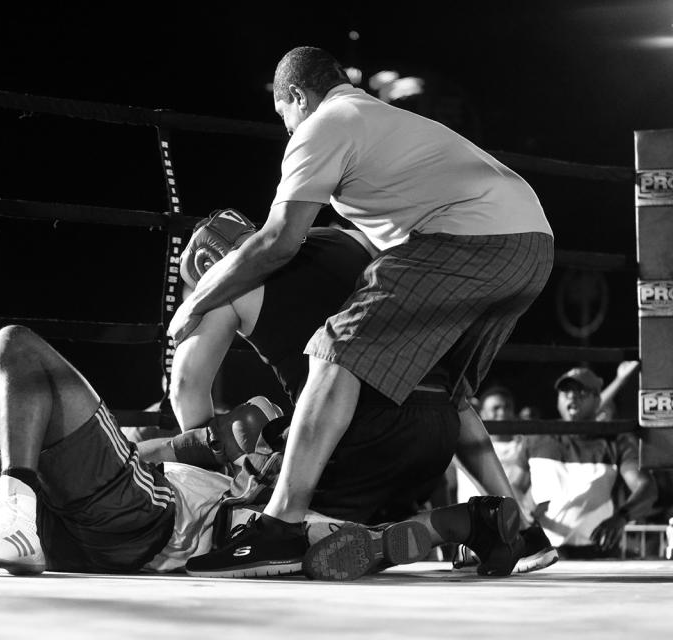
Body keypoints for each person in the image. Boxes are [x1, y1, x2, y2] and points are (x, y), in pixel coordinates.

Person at [168, 46, 554, 576]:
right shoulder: (380, 125)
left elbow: (279, 240)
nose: (286, 129)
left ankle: (280, 526)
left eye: (283, 114)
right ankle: (525, 532)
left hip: (472, 235)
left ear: (297, 96)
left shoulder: (324, 124)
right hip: (531, 244)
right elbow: (375, 255)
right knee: (450, 386)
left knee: (335, 349)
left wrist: (199, 301)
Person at [0, 325, 519, 581]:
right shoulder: (246, 447)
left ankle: (12, 516)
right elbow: (173, 444)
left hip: (146, 523)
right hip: (87, 511)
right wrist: (235, 430)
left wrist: (454, 527)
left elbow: (354, 542)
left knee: (17, 346)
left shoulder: (280, 508)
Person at [164, 210, 554, 575]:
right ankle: (506, 526)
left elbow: (185, 386)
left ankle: (430, 529)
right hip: (437, 430)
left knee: (251, 518)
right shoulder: (344, 238)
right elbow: (455, 393)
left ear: (205, 269)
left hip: (357, 436)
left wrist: (212, 459)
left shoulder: (226, 283)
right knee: (420, 393)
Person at [524, 367, 656, 558]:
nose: (572, 397)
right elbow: (513, 483)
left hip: (599, 552)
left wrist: (621, 517)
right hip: (542, 553)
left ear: (597, 400)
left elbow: (646, 486)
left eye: (581, 392)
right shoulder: (537, 438)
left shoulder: (616, 441)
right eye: (566, 392)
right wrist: (523, 509)